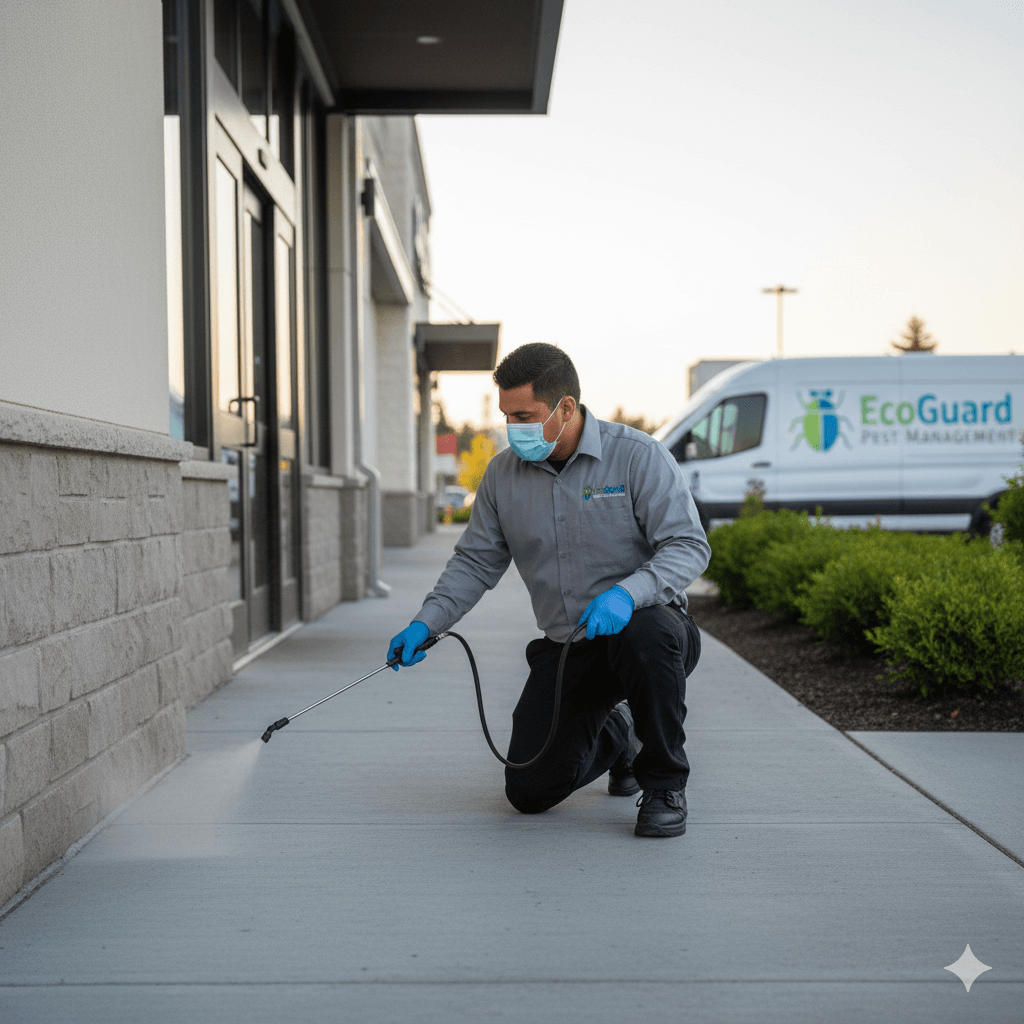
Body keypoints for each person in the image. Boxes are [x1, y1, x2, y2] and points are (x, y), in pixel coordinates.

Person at [388, 344, 711, 837]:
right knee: (529, 790)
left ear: (565, 407)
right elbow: (475, 562)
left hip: (648, 632)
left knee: (645, 636)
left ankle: (664, 784)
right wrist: (425, 622)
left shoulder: (637, 457)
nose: (512, 428)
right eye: (506, 416)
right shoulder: (501, 478)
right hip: (568, 648)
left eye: (524, 416)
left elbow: (688, 545)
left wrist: (628, 593)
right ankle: (618, 735)